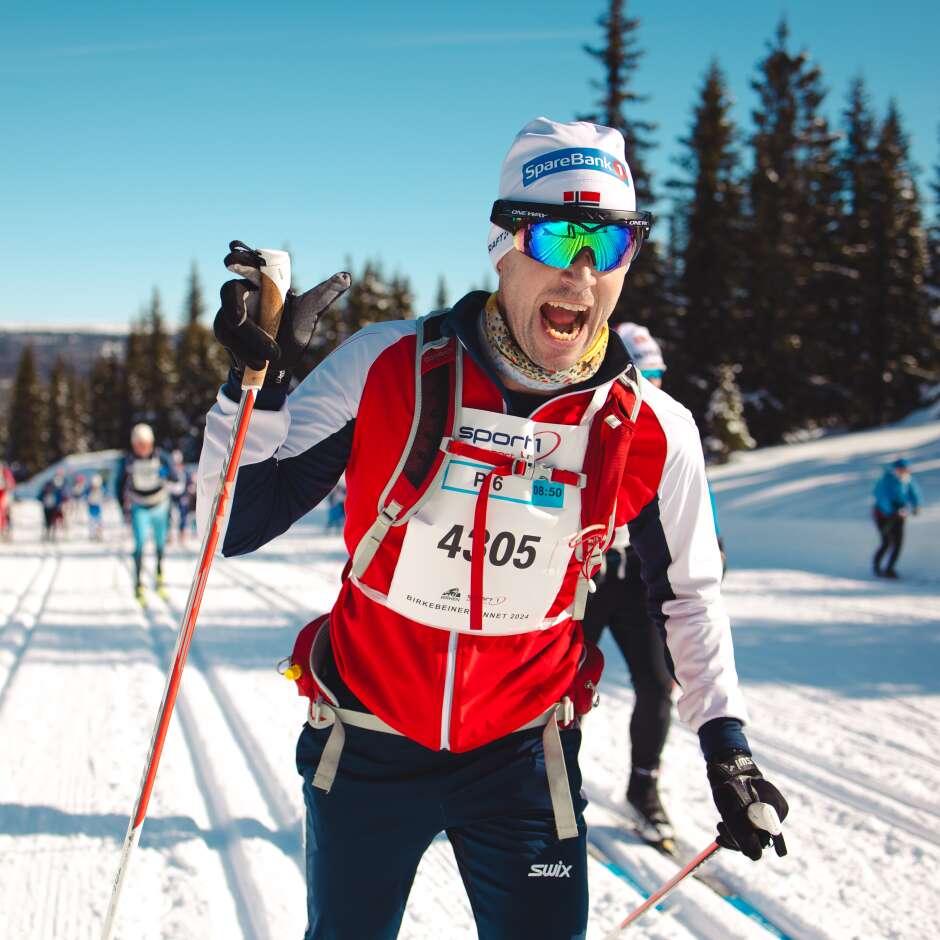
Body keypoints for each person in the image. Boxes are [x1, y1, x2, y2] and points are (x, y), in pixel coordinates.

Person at [199, 117, 789, 940]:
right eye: (558, 236)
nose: (582, 272)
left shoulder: (657, 430)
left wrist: (726, 742)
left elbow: (689, 595)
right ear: (503, 243)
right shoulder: (386, 365)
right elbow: (229, 524)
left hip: (522, 757)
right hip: (368, 738)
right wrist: (249, 387)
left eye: (610, 245)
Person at [118, 423, 178, 602]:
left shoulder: (162, 457)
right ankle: (138, 585)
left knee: (160, 544)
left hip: (160, 506)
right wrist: (123, 508)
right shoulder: (127, 460)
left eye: (145, 443)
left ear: (151, 443)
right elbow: (118, 485)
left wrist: (167, 476)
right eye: (138, 444)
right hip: (139, 508)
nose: (142, 447)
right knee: (140, 545)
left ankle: (159, 577)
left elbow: (177, 481)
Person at [872, 457, 921, 579]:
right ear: (896, 469)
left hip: (899, 515)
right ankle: (877, 567)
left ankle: (890, 569)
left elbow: (914, 493)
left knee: (898, 543)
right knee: (886, 542)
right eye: (902, 469)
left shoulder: (907, 480)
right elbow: (881, 498)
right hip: (883, 515)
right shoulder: (886, 480)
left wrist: (916, 505)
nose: (904, 471)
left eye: (906, 469)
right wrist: (891, 511)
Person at [39, 471, 66, 541]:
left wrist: (58, 505)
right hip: (46, 508)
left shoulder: (55, 492)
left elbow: (59, 498)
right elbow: (39, 497)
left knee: (53, 521)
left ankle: (52, 534)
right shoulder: (44, 492)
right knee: (47, 522)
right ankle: (48, 534)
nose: (49, 488)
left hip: (53, 508)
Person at [86, 473, 105, 540]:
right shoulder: (89, 490)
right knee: (92, 522)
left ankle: (99, 534)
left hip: (98, 508)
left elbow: (103, 496)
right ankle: (92, 534)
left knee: (98, 522)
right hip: (92, 508)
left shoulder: (101, 489)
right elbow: (87, 497)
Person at [0, 460, 15, 541]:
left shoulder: (6, 472)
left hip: (5, 495)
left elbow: (11, 484)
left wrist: (7, 487)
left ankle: (7, 531)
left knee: (6, 513)